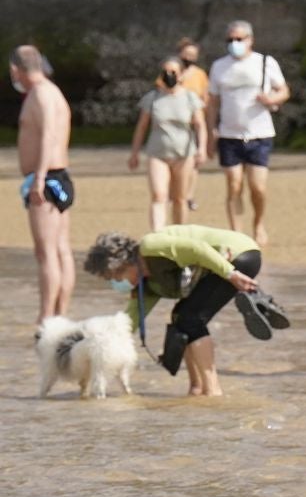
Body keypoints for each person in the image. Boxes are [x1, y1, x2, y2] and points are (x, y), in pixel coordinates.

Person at [83, 226, 280, 398]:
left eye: (115, 276)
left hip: (238, 255)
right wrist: (99, 355)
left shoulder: (151, 247)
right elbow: (127, 325)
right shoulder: (146, 286)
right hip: (222, 267)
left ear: (124, 263)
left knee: (191, 318)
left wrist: (231, 274)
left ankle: (213, 391)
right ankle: (196, 388)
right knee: (180, 317)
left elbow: (198, 249)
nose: (116, 282)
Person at [207, 20, 288, 245]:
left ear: (250, 40)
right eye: (230, 40)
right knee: (233, 184)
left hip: (259, 132)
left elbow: (283, 90)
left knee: (257, 187)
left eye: (239, 39)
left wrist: (271, 98)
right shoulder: (219, 66)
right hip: (229, 134)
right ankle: (236, 233)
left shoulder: (264, 62)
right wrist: (210, 131)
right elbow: (212, 102)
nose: (234, 43)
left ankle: (258, 223)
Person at [12, 45, 74, 321]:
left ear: (16, 69)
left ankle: (47, 317)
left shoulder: (41, 94)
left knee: (47, 252)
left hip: (47, 178)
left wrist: (37, 178)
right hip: (57, 175)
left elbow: (49, 135)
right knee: (60, 248)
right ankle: (58, 315)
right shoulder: (52, 92)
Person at [129, 56, 208, 231]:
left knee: (180, 198)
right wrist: (135, 152)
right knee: (159, 195)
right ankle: (158, 234)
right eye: (165, 72)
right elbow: (142, 127)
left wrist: (202, 149)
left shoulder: (190, 98)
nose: (169, 75)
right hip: (158, 153)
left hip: (183, 154)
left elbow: (200, 125)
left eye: (173, 72)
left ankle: (179, 232)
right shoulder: (153, 98)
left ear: (181, 75)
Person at [174, 38, 210, 213]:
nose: (189, 57)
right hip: (175, 122)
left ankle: (189, 195)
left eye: (193, 55)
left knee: (194, 162)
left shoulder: (200, 74)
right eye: (186, 54)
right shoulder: (171, 72)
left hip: (193, 122)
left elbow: (205, 98)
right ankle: (175, 193)